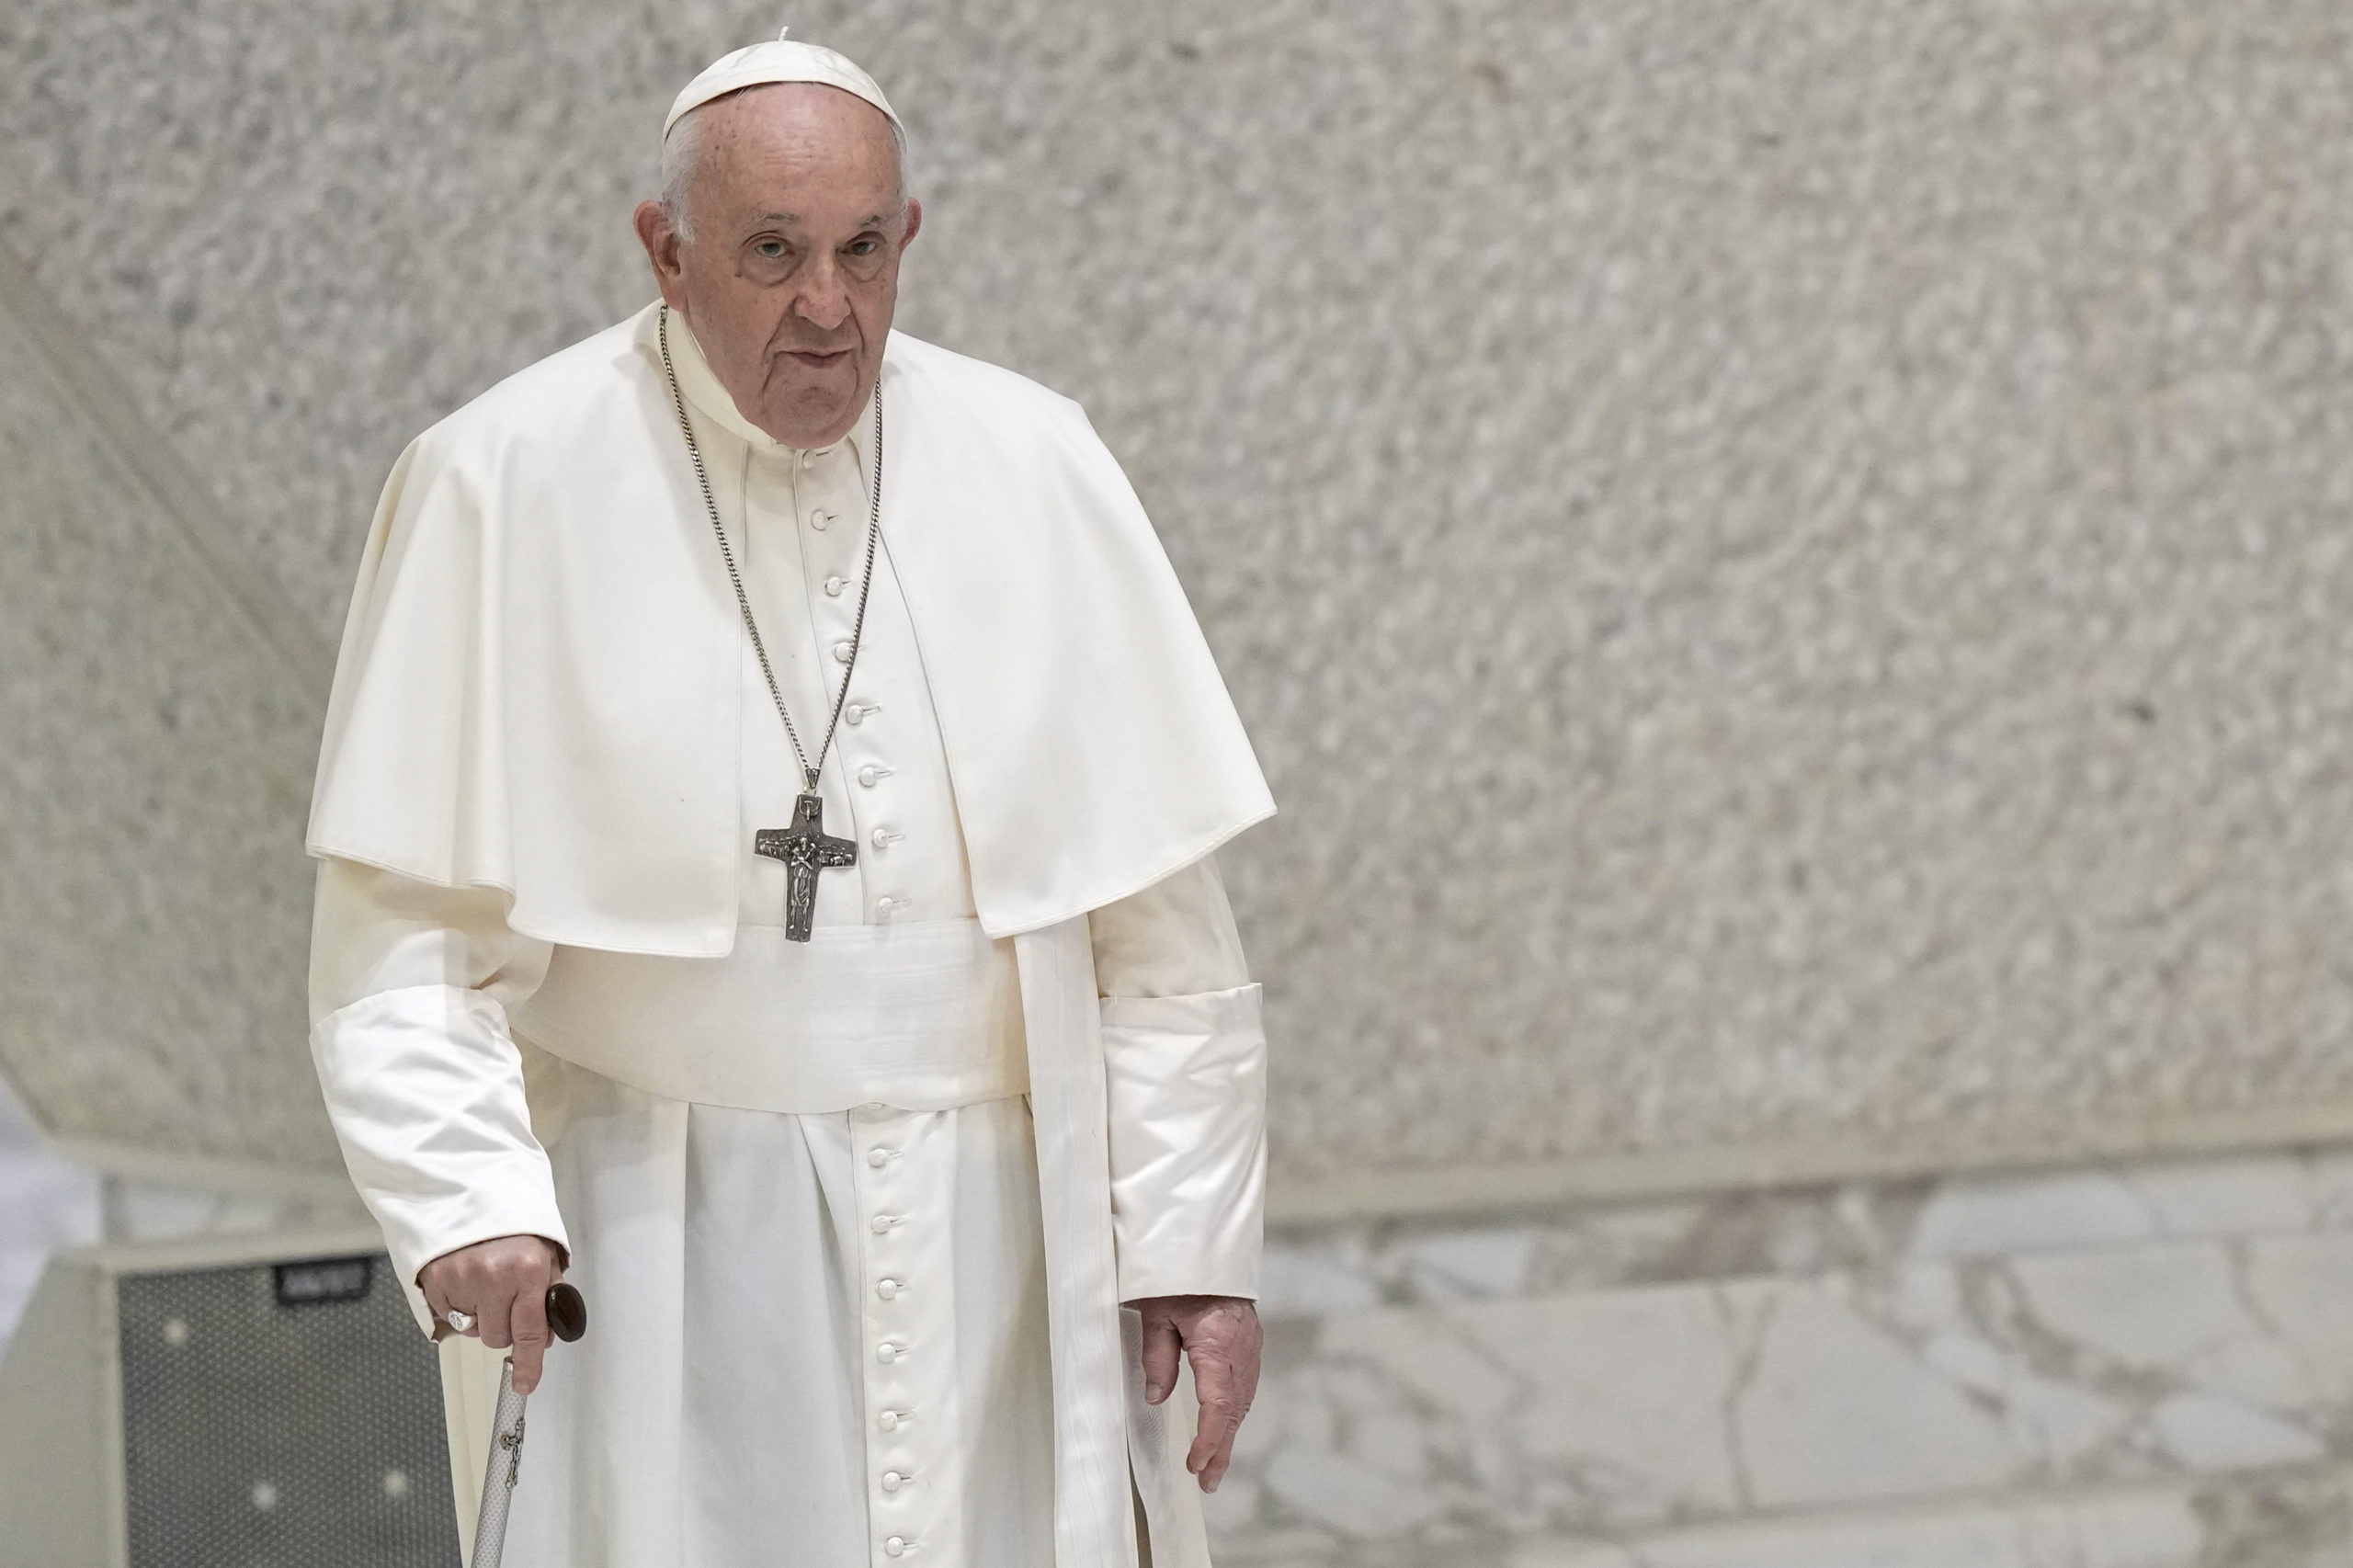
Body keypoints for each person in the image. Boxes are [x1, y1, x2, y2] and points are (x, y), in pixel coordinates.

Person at [304, 34, 1274, 1568]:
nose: (829, 307)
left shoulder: (1036, 461)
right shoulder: (502, 478)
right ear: (665, 250)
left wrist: (1193, 1246)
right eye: (772, 252)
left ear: (909, 239)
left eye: (862, 250)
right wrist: (472, 1196)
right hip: (659, 1227)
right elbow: (398, 944)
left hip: (1009, 1247)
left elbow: (1161, 933)